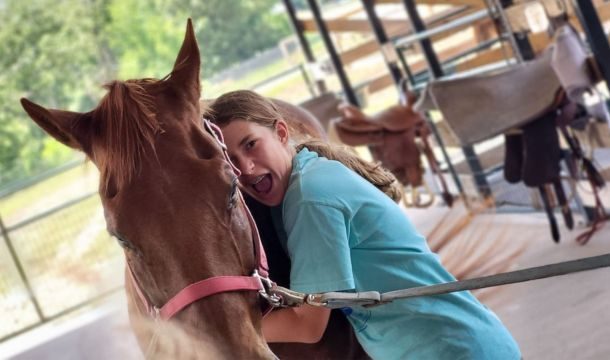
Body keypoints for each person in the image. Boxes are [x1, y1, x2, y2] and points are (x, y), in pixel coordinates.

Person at [206, 90, 521, 360]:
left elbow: (308, 325)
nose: (244, 168)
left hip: (446, 350)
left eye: (251, 144)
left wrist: (214, 329)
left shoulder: (310, 199)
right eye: (228, 158)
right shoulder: (314, 170)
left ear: (282, 133)